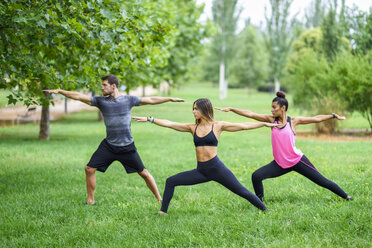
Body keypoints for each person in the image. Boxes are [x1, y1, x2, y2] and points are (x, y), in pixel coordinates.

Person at [44, 75, 184, 205]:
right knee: (89, 169)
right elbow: (79, 96)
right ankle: (90, 201)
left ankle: (160, 199)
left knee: (144, 173)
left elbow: (151, 100)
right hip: (109, 146)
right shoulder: (101, 101)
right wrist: (60, 91)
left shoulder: (129, 100)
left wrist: (170, 98)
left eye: (104, 85)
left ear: (114, 86)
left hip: (127, 146)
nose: (102, 88)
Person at [133, 98, 278, 214]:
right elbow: (170, 124)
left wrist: (264, 124)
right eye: (193, 109)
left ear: (204, 109)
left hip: (217, 169)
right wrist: (150, 119)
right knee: (171, 181)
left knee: (242, 191)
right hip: (201, 171)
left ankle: (266, 211)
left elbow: (244, 126)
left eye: (196, 108)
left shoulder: (218, 126)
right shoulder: (192, 127)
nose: (194, 111)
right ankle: (163, 212)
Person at [216, 91, 352, 203]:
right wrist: (232, 109)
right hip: (280, 164)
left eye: (274, 107)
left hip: (297, 161)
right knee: (256, 176)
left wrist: (333, 116)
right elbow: (251, 114)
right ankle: (261, 204)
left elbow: (316, 118)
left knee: (322, 181)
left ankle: (346, 196)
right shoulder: (271, 120)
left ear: (283, 108)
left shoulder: (293, 121)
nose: (271, 110)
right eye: (271, 107)